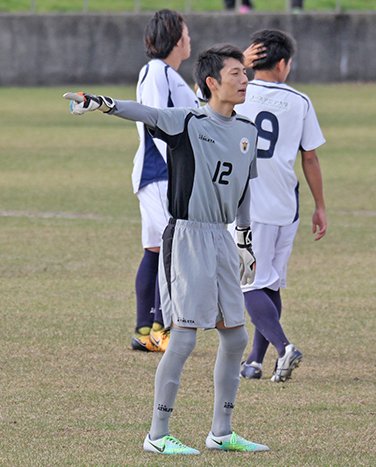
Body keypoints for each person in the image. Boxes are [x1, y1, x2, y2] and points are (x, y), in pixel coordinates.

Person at [65, 44, 269, 454]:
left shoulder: (247, 131)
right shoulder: (188, 121)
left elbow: (246, 187)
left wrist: (244, 239)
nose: (245, 79)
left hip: (223, 238)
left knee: (234, 339)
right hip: (188, 236)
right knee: (185, 339)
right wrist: (101, 104)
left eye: (245, 73)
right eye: (236, 73)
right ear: (212, 82)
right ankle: (157, 435)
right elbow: (145, 113)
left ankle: (221, 431)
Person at [233, 29, 326, 383]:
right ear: (284, 63)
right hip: (286, 204)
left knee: (249, 285)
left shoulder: (236, 91)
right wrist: (320, 206)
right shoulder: (300, 101)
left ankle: (284, 347)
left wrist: (238, 66)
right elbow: (311, 158)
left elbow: (203, 98)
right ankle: (255, 361)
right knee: (269, 281)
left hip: (247, 205)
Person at [130, 10, 199, 353]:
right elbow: (157, 121)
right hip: (160, 173)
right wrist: (180, 166)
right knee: (171, 247)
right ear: (174, 39)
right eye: (186, 35)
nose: (189, 40)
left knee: (156, 248)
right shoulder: (156, 72)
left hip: (162, 173)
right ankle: (160, 329)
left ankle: (145, 331)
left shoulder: (171, 75)